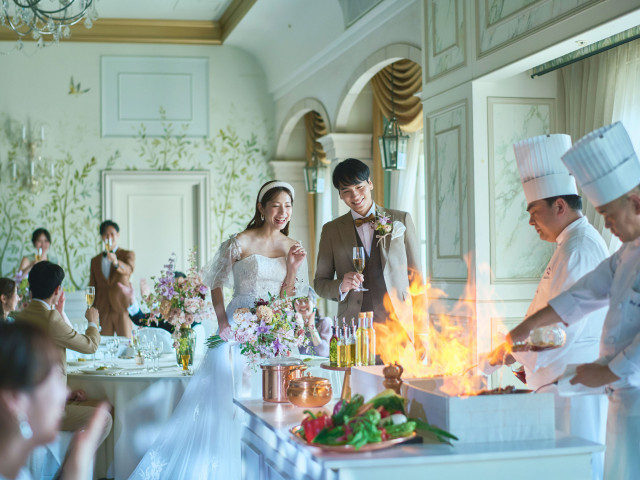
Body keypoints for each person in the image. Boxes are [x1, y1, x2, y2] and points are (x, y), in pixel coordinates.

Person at [129, 180, 308, 479]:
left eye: (288, 206)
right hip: (236, 328)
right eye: (276, 205)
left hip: (273, 331)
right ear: (261, 207)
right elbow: (216, 282)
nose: (283, 212)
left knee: (275, 403)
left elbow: (285, 297)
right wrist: (223, 321)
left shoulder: (292, 246)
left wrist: (292, 269)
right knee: (232, 401)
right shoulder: (238, 242)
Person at [508, 122, 640, 480]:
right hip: (617, 392)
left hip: (625, 386)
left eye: (609, 215)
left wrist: (608, 371)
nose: (606, 225)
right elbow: (580, 297)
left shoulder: (582, 245)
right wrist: (519, 333)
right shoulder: (626, 252)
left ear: (636, 203)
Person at [487, 134, 608, 480]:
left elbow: (562, 328)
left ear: (559, 206)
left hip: (573, 389)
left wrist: (511, 350)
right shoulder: (568, 244)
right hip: (560, 383)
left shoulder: (578, 248)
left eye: (533, 212)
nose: (530, 222)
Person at [314, 158, 423, 354]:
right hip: (353, 328)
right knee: (357, 375)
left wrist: (422, 332)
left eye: (359, 187)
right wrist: (341, 285)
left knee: (397, 375)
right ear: (340, 195)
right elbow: (320, 284)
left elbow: (417, 279)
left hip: (398, 324)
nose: (355, 195)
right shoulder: (331, 230)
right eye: (346, 191)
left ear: (370, 183)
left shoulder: (400, 219)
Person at [11, 261, 112, 448]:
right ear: (57, 290)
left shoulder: (18, 317)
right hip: (46, 410)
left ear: (31, 287)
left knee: (98, 403)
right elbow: (90, 346)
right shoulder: (50, 318)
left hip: (26, 406)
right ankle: (72, 464)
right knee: (105, 416)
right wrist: (93, 322)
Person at [0, 322, 111, 480]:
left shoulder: (17, 473)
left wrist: (72, 471)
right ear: (15, 399)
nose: (65, 393)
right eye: (55, 380)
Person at [89, 220, 135, 337]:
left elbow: (129, 269)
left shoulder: (127, 254)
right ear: (102, 237)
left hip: (122, 308)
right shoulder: (95, 260)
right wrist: (91, 310)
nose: (109, 237)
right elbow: (92, 286)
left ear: (117, 235)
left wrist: (116, 262)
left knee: (126, 343)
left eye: (112, 234)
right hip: (102, 309)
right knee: (103, 344)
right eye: (106, 234)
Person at [294, 288, 332, 357]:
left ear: (314, 303)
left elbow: (324, 353)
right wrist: (299, 328)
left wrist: (312, 327)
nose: (302, 304)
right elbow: (291, 353)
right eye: (298, 301)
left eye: (306, 300)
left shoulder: (325, 322)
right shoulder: (291, 326)